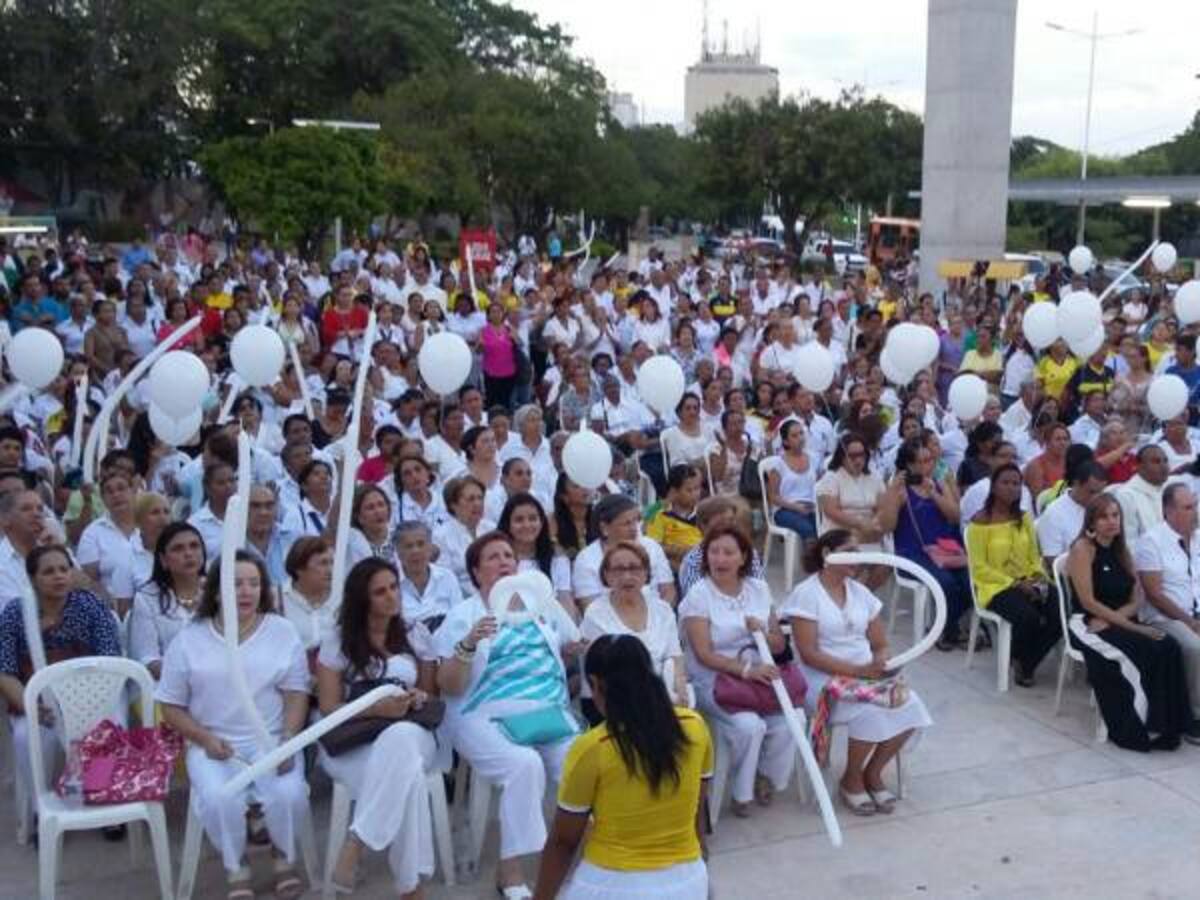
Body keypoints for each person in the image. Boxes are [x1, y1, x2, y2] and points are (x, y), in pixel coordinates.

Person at [433, 531, 582, 897]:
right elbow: (449, 685)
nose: (503, 563)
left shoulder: (539, 608)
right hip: (482, 715)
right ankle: (510, 872)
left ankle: (595, 853)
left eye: (508, 556)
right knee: (523, 765)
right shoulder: (463, 616)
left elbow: (566, 648)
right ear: (475, 572)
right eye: (493, 558)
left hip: (547, 714)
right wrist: (468, 644)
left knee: (582, 764)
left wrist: (577, 646)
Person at [157, 552, 311, 900]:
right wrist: (204, 738)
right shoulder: (190, 638)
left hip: (271, 738)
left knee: (288, 794)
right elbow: (170, 705)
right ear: (216, 591)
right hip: (213, 743)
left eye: (254, 583)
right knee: (220, 798)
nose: (246, 591)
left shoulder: (281, 631)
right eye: (236, 583)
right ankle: (235, 864)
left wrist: (287, 740)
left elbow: (296, 693)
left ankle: (282, 856)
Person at [534, 635, 712, 900]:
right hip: (688, 880)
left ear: (594, 684)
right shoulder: (695, 726)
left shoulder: (592, 747)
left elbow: (563, 842)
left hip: (613, 885)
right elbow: (698, 813)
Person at [783, 530, 930, 815]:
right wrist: (857, 671)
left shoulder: (860, 592)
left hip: (865, 676)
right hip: (822, 679)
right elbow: (809, 654)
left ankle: (872, 773)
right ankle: (851, 779)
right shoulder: (807, 594)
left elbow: (880, 643)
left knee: (910, 704)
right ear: (828, 554)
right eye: (850, 550)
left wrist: (881, 662)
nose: (858, 557)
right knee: (870, 711)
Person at [317, 558, 440, 898]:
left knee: (400, 739)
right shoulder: (339, 640)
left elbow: (431, 695)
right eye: (379, 592)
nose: (391, 597)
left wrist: (415, 696)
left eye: (393, 587)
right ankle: (410, 888)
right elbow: (328, 706)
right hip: (355, 738)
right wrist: (375, 708)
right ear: (363, 599)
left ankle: (357, 841)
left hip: (413, 732)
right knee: (409, 778)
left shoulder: (416, 633)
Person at [678, 525, 794, 818]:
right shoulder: (699, 595)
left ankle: (764, 776)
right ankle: (740, 793)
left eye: (728, 552)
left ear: (743, 557)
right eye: (714, 552)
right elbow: (703, 654)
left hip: (760, 676)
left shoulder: (759, 589)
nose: (720, 559)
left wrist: (764, 636)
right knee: (749, 726)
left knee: (791, 721)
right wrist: (746, 671)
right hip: (715, 679)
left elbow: (779, 644)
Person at [1067, 495, 1194, 752]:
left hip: (1116, 620)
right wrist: (1135, 627)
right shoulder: (1083, 549)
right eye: (1103, 517)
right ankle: (1139, 729)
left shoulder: (1122, 550)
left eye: (1115, 515)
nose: (1111, 522)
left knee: (1167, 646)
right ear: (1091, 520)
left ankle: (1171, 725)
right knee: (1145, 650)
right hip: (1089, 624)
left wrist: (1123, 619)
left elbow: (1138, 598)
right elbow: (1087, 601)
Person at [0, 545, 122, 811]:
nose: (58, 576)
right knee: (24, 737)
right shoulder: (15, 613)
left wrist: (85, 704)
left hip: (92, 695)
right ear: (32, 578)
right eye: (49, 571)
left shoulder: (89, 605)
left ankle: (104, 803)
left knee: (110, 725)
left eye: (64, 569)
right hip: (36, 702)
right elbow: (5, 670)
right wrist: (32, 707)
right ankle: (40, 808)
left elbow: (110, 658)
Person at [964, 464, 1062, 687]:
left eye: (1016, 483)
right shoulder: (980, 522)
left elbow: (1033, 556)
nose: (1011, 488)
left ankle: (1026, 660)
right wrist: (1015, 584)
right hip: (996, 585)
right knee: (1028, 617)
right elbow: (979, 567)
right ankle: (1021, 661)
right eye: (1005, 482)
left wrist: (1036, 577)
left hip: (1029, 578)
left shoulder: (1024, 518)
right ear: (994, 487)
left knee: (1061, 610)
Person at [877, 436, 970, 650]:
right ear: (909, 465)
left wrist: (934, 495)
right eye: (921, 461)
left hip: (943, 550)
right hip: (913, 552)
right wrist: (892, 494)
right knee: (946, 583)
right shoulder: (900, 491)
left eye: (929, 460)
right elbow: (887, 526)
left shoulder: (937, 484)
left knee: (968, 583)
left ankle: (945, 627)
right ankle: (947, 630)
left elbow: (955, 516)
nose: (928, 465)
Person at [579, 542, 688, 723]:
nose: (627, 576)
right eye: (618, 570)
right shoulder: (595, 614)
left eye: (635, 568)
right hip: (616, 702)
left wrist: (680, 689)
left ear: (646, 573)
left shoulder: (662, 609)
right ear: (606, 575)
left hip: (663, 695)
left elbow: (675, 657)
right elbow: (603, 675)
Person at [1133, 483, 1200, 740]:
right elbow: (1155, 595)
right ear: (1169, 511)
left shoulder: (1197, 537)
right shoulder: (1151, 542)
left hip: (1194, 612)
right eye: (1187, 508)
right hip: (1166, 617)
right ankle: (1195, 717)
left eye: (1194, 506)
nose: (1194, 512)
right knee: (1195, 647)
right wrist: (1190, 622)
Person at [129, 522, 207, 679]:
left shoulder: (220, 592)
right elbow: (148, 659)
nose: (188, 554)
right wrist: (188, 676)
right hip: (166, 686)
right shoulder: (146, 598)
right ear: (163, 560)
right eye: (178, 549)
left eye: (194, 546)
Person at [573, 493, 674, 608]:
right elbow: (589, 605)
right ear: (604, 528)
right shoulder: (586, 559)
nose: (634, 528)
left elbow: (668, 590)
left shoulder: (651, 547)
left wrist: (660, 618)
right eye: (626, 523)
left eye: (635, 521)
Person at [499, 491, 577, 622]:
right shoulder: (500, 559)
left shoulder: (557, 558)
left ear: (542, 522)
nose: (527, 525)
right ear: (508, 524)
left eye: (533, 518)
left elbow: (565, 599)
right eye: (519, 520)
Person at [1036, 461, 1109, 569]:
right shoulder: (1053, 514)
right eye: (1091, 492)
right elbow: (1054, 562)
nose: (1096, 498)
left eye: (1100, 492)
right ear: (1076, 483)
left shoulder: (1105, 505)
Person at [433, 474, 495, 594]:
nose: (477, 503)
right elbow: (445, 579)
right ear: (453, 505)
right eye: (471, 499)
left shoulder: (491, 528)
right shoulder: (440, 536)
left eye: (480, 498)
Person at [279, 536, 337, 665]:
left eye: (331, 562)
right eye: (323, 563)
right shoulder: (277, 600)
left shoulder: (341, 599)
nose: (330, 570)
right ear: (299, 568)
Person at [644, 463, 704, 572]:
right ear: (674, 491)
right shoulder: (661, 515)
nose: (695, 494)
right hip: (673, 566)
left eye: (697, 488)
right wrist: (681, 551)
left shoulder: (704, 513)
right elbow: (654, 546)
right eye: (689, 490)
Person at [766, 420, 818, 543]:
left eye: (801, 433)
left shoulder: (813, 458)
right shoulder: (778, 463)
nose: (800, 438)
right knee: (808, 530)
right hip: (786, 509)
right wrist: (795, 507)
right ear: (785, 441)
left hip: (810, 507)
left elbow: (819, 485)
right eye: (794, 436)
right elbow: (773, 496)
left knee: (827, 528)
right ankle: (809, 561)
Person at [1110, 445, 1169, 544]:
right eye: (1156, 462)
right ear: (1139, 466)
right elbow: (1128, 542)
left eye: (1165, 461)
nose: (1163, 466)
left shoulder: (1169, 489)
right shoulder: (1126, 496)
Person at [1023, 422, 1070, 499]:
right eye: (1058, 439)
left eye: (1065, 439)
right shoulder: (1036, 466)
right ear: (1047, 442)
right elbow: (1038, 500)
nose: (1063, 443)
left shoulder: (1071, 463)